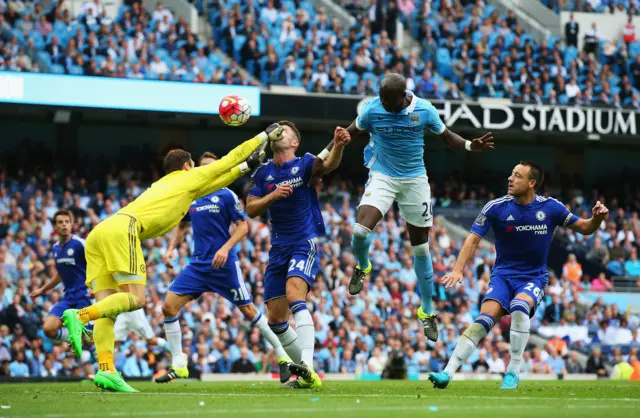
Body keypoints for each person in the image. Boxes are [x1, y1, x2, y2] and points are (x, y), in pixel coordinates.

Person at [61, 124, 285, 392]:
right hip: (124, 231)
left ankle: (106, 369)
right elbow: (228, 160)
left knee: (108, 309)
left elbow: (217, 182)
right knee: (136, 299)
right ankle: (81, 315)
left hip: (100, 233)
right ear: (189, 167)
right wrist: (263, 136)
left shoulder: (170, 184)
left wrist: (248, 167)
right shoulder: (188, 179)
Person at [429, 161, 609, 390]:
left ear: (532, 183)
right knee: (481, 322)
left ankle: (513, 371)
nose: (510, 179)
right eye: (511, 174)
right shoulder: (496, 207)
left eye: (517, 175)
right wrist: (457, 269)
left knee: (519, 307)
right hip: (502, 276)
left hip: (533, 277)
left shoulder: (551, 207)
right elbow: (472, 239)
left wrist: (597, 220)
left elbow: (584, 227)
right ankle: (447, 373)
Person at [343, 73, 494, 341]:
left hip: (414, 180)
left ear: (404, 96)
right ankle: (363, 266)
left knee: (421, 248)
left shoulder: (424, 109)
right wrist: (325, 154)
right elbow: (348, 133)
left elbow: (447, 137)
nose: (385, 106)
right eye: (383, 101)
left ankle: (426, 310)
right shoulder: (372, 109)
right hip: (382, 176)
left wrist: (471, 145)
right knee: (359, 231)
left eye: (390, 102)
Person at [155, 152, 292, 384]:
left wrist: (225, 248)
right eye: (203, 166)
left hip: (225, 266)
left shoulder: (226, 195)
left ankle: (283, 356)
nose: (208, 169)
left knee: (249, 311)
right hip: (198, 266)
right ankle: (179, 364)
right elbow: (181, 225)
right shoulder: (192, 196)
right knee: (168, 308)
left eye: (212, 166)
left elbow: (242, 228)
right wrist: (170, 249)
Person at [246, 121, 350, 388]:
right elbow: (251, 208)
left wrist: (337, 146)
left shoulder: (304, 162)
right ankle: (307, 376)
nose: (279, 131)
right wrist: (273, 196)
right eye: (277, 129)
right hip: (277, 247)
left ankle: (307, 365)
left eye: (286, 130)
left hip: (303, 241)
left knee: (295, 297)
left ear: (295, 142)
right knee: (275, 320)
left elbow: (328, 166)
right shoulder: (263, 172)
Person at [30, 210, 93, 347]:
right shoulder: (56, 248)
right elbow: (60, 273)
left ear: (71, 225)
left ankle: (84, 337)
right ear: (55, 227)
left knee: (89, 341)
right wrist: (42, 290)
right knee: (48, 328)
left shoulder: (80, 244)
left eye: (67, 222)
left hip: (85, 296)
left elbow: (97, 265)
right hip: (69, 297)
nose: (64, 225)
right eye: (60, 222)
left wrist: (96, 289)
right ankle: (73, 336)